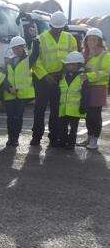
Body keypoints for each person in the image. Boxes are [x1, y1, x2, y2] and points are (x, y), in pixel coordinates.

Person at [30, 11, 78, 147]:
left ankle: (54, 137)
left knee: (57, 110)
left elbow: (73, 58)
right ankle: (36, 137)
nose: (57, 31)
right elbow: (35, 61)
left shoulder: (70, 39)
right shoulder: (40, 39)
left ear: (64, 27)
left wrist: (63, 72)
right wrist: (46, 76)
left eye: (60, 28)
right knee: (39, 109)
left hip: (60, 78)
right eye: (55, 28)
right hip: (42, 80)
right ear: (50, 25)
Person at [2, 36, 38, 146]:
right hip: (9, 94)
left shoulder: (29, 60)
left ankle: (15, 138)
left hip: (22, 95)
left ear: (23, 47)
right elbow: (3, 77)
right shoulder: (9, 61)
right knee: (10, 117)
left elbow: (36, 53)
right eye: (14, 48)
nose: (16, 50)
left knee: (18, 117)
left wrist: (34, 38)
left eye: (19, 48)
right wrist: (9, 88)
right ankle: (10, 137)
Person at [81, 28, 110, 150]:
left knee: (95, 115)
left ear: (99, 41)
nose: (92, 41)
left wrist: (89, 75)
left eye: (95, 39)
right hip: (86, 87)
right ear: (86, 40)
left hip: (98, 88)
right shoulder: (84, 54)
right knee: (88, 114)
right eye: (89, 39)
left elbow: (106, 72)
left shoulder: (105, 55)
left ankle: (94, 140)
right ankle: (89, 137)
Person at [58, 51, 88, 150]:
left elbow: (85, 93)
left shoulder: (82, 78)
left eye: (71, 64)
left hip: (75, 110)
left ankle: (71, 144)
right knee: (63, 127)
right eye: (68, 64)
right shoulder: (63, 76)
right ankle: (63, 141)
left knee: (73, 129)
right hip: (63, 109)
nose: (68, 66)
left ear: (78, 65)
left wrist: (83, 106)